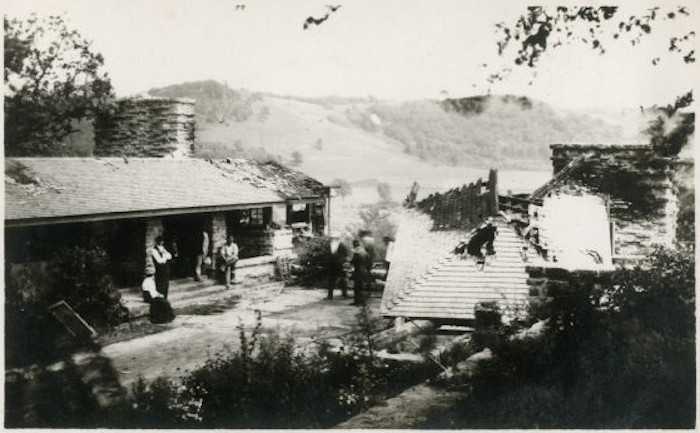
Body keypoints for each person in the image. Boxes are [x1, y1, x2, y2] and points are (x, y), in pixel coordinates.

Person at [327, 232, 351, 300]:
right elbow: (328, 254)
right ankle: (330, 296)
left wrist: (342, 261)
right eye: (332, 238)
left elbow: (346, 254)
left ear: (338, 238)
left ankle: (345, 294)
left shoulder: (342, 245)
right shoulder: (330, 245)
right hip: (331, 265)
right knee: (331, 280)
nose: (333, 239)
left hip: (340, 265)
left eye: (335, 238)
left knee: (342, 279)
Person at [351, 239, 370, 306]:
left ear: (354, 245)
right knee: (362, 286)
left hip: (358, 271)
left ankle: (358, 302)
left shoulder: (357, 252)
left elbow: (353, 261)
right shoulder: (364, 251)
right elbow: (369, 260)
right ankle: (362, 302)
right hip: (363, 270)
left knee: (357, 287)